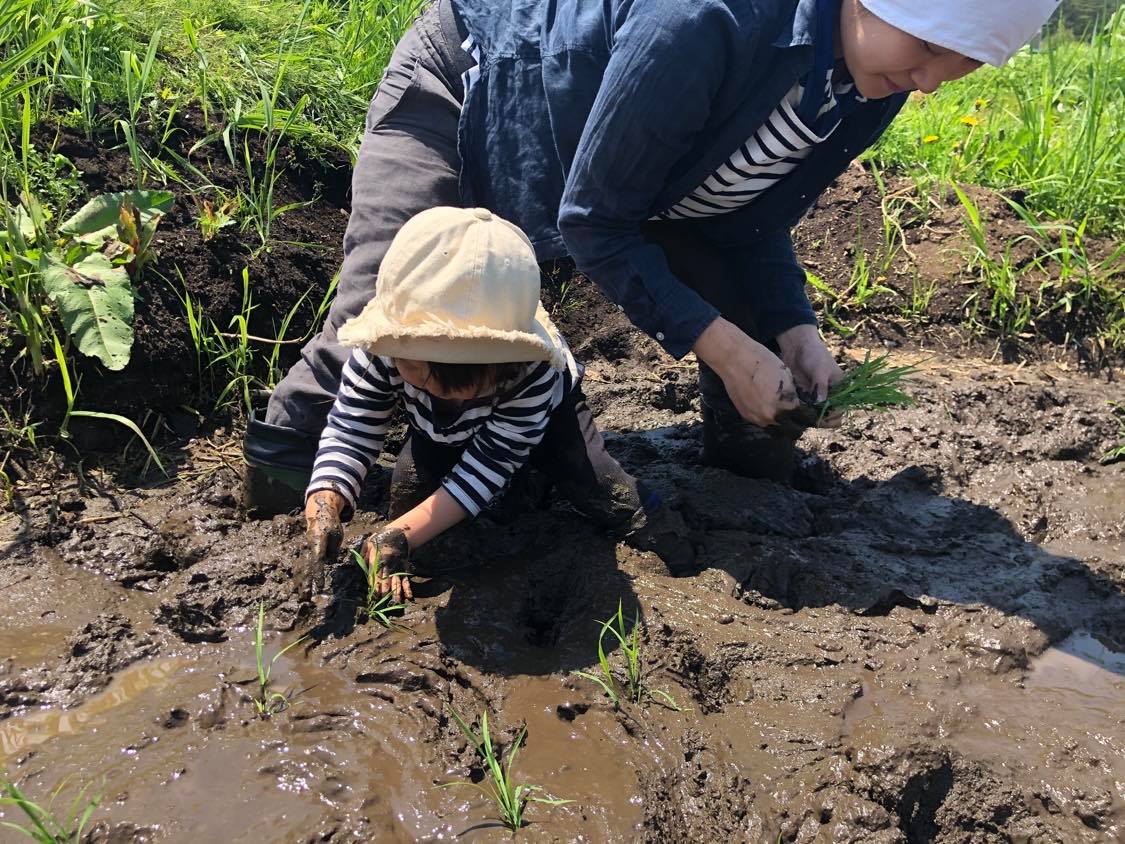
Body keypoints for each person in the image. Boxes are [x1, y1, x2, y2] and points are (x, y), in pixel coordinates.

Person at [244, 0, 1061, 513]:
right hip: (471, 85)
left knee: (723, 300)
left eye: (959, 66)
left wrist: (791, 328)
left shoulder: (862, 86)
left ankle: (743, 458)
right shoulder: (709, 17)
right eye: (922, 47)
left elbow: (747, 220)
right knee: (386, 311)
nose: (926, 82)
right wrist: (721, 346)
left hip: (615, 151)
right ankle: (281, 481)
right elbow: (598, 221)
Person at [299, 206, 693, 600]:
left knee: (594, 480)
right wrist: (325, 501)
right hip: (434, 429)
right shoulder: (383, 349)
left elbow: (489, 464)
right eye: (418, 372)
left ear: (507, 361)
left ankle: (673, 539)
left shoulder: (533, 372)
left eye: (468, 385)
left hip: (548, 416)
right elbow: (352, 429)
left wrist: (404, 534)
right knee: (409, 487)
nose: (443, 394)